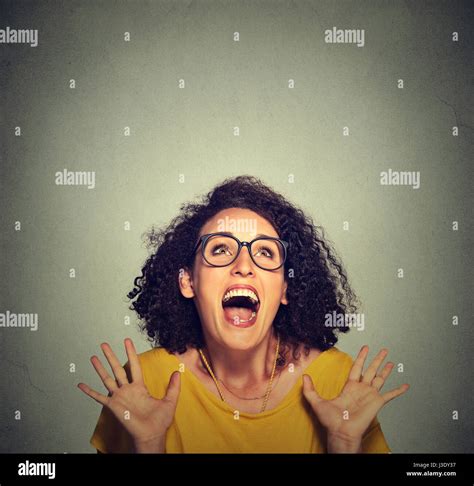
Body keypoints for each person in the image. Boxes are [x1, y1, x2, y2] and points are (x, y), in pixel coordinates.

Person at [78, 175, 409, 453]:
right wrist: (149, 446)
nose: (243, 267)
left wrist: (343, 443)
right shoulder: (144, 383)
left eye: (265, 252)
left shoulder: (338, 382)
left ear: (284, 290)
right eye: (221, 249)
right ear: (188, 280)